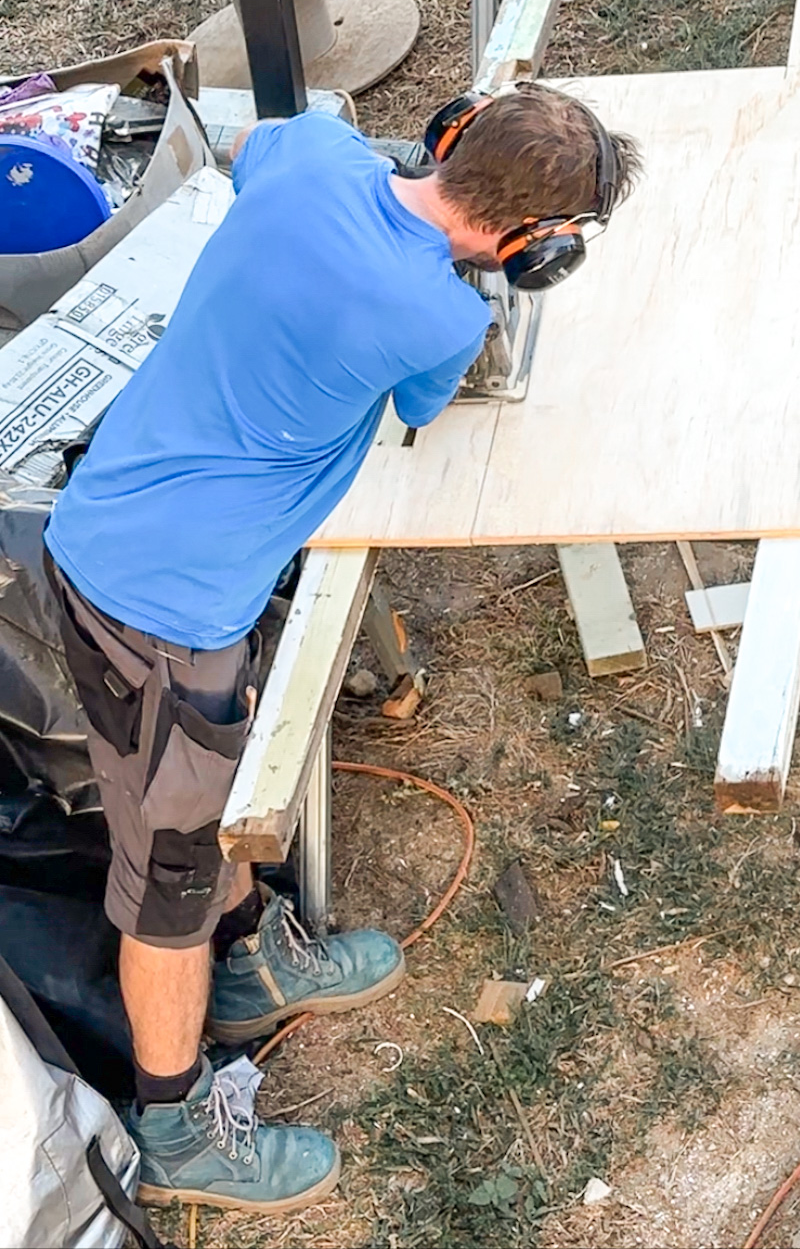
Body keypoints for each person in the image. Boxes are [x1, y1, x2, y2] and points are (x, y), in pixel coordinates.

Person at [44, 85, 639, 1217]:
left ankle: (248, 958)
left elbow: (262, 145)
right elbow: (425, 398)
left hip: (140, 545)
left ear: (450, 132)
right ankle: (175, 1126)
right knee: (165, 876)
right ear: (527, 247)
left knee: (216, 787)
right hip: (157, 604)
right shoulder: (441, 319)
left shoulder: (316, 156)